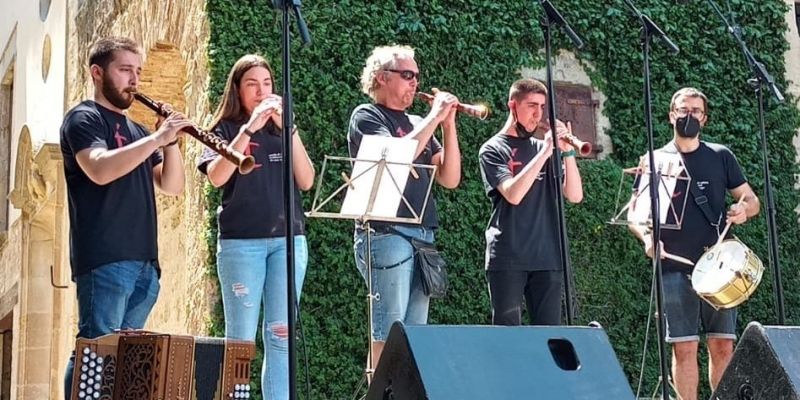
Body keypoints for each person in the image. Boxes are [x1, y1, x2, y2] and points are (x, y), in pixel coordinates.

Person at [60, 36, 190, 398]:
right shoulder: (83, 118)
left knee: (124, 363)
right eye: (124, 70)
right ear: (97, 73)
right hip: (105, 257)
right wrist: (156, 138)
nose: (134, 80)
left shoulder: (138, 132)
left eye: (138, 71)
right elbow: (99, 169)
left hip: (145, 263)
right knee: (94, 352)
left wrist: (171, 143)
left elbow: (172, 185)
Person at [629, 87, 760, 400]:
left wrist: (743, 210)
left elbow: (751, 198)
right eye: (683, 110)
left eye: (696, 111)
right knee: (684, 347)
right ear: (671, 114)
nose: (689, 116)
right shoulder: (655, 159)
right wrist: (648, 238)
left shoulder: (720, 156)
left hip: (719, 267)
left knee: (723, 344)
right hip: (674, 265)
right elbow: (635, 214)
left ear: (705, 117)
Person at [197, 54, 315, 400]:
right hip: (241, 245)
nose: (262, 91)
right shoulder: (223, 130)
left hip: (288, 242)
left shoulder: (284, 130)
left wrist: (287, 126)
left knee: (281, 336)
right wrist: (249, 128)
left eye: (267, 84)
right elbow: (218, 177)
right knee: (241, 340)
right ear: (237, 90)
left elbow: (306, 180)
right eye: (252, 84)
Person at [348, 45, 461, 370]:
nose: (415, 82)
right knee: (388, 331)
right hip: (387, 232)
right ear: (382, 78)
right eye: (407, 75)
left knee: (414, 336)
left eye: (417, 76)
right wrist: (434, 116)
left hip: (422, 234)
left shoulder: (417, 120)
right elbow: (397, 155)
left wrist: (449, 125)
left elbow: (450, 178)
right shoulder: (367, 115)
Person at [478, 78, 583, 327]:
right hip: (508, 254)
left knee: (549, 338)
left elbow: (575, 196)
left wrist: (567, 152)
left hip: (548, 256)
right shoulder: (493, 149)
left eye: (542, 106)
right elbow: (513, 194)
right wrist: (546, 151)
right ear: (512, 106)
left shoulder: (541, 146)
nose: (538, 114)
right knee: (508, 336)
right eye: (531, 105)